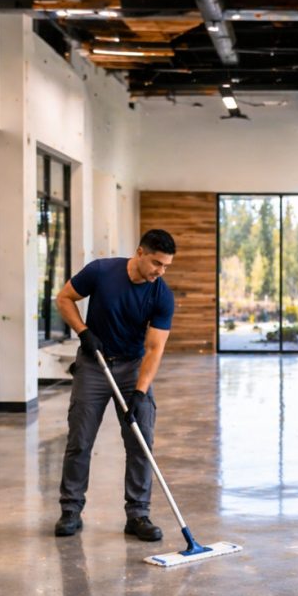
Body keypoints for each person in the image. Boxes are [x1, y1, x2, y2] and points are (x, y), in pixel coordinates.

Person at [53, 229, 178, 542]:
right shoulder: (101, 272)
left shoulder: (161, 294)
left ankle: (138, 515)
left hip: (132, 368)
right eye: (156, 263)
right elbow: (64, 298)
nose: (160, 272)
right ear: (139, 252)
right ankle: (71, 510)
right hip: (94, 364)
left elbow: (154, 349)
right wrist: (83, 332)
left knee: (141, 440)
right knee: (80, 439)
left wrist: (139, 391)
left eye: (166, 266)